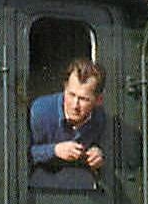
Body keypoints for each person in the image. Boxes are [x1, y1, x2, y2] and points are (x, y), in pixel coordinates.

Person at [29, 58, 107, 188]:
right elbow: (23, 155)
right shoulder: (40, 111)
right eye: (71, 95)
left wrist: (98, 155)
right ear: (64, 88)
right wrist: (55, 150)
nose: (75, 105)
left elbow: (107, 154)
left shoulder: (100, 119)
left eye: (83, 99)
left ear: (98, 100)